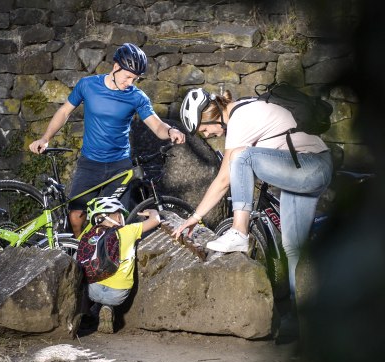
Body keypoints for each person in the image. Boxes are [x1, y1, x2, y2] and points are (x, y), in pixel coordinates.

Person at [174, 87, 333, 341]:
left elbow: (224, 179)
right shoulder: (247, 107)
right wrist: (195, 217)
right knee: (294, 248)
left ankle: (239, 231)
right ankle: (300, 320)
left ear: (211, 115)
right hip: (308, 167)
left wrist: (194, 217)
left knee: (242, 158)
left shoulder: (240, 118)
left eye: (204, 129)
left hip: (309, 167)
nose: (208, 135)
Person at [29, 43, 185, 238]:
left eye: (135, 79)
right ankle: (78, 253)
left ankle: (103, 262)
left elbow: (156, 125)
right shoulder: (88, 85)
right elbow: (64, 112)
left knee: (112, 221)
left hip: (119, 166)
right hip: (90, 164)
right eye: (128, 76)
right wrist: (45, 138)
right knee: (76, 216)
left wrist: (170, 131)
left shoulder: (137, 97)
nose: (130, 82)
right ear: (116, 66)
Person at [82, 196, 161, 333]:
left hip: (92, 291)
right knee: (117, 282)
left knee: (85, 280)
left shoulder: (91, 234)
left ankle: (85, 312)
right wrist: (151, 212)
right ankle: (108, 307)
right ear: (118, 217)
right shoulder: (128, 231)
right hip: (117, 294)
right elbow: (156, 220)